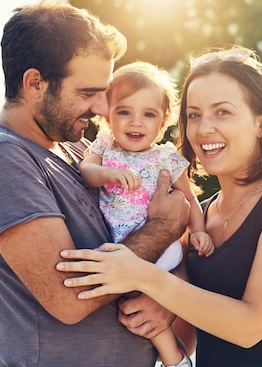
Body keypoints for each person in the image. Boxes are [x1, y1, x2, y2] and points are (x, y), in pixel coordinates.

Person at [0, 0, 190, 367]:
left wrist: (166, 293)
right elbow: (68, 299)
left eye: (103, 92)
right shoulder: (0, 158)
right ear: (34, 83)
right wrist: (163, 227)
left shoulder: (80, 150)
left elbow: (163, 243)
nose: (101, 109)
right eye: (87, 93)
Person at [56, 45, 262, 366]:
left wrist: (142, 275)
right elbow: (188, 337)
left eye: (222, 112)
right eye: (194, 115)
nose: (203, 128)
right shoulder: (201, 212)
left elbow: (250, 327)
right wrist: (158, 309)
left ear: (261, 123)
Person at [80, 61, 214, 367]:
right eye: (124, 111)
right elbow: (87, 171)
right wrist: (107, 174)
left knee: (137, 294)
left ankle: (172, 357)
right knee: (134, 303)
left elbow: (190, 199)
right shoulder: (105, 147)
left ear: (164, 120)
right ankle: (176, 357)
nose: (135, 123)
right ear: (107, 115)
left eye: (148, 114)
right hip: (123, 242)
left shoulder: (166, 157)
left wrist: (200, 231)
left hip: (162, 248)